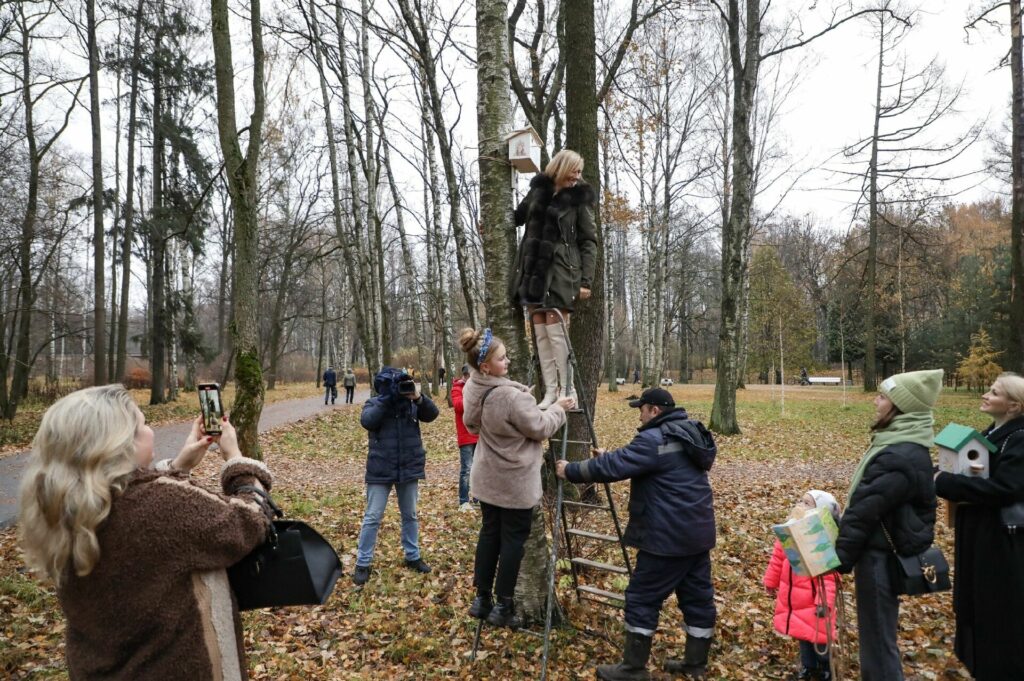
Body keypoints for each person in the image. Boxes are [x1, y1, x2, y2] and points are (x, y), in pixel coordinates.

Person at [18, 385, 274, 680]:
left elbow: (152, 531)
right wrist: (235, 457)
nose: (151, 431)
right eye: (144, 424)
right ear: (118, 443)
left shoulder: (63, 508)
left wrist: (179, 467)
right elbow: (250, 520)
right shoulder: (162, 505)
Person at [556, 387, 717, 680]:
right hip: (697, 534)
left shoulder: (656, 439)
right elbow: (651, 462)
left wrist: (571, 470)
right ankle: (695, 664)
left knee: (642, 598)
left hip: (667, 538)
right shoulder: (687, 434)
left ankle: (633, 668)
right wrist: (611, 456)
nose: (639, 415)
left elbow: (618, 466)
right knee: (697, 598)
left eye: (641, 409)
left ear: (654, 410)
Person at [459, 327, 573, 628]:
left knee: (489, 535)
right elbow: (540, 428)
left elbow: (472, 425)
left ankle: (482, 598)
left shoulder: (472, 387)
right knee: (512, 542)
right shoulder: (511, 397)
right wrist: (559, 409)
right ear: (486, 366)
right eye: (501, 358)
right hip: (514, 483)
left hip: (487, 478)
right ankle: (504, 605)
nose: (507, 362)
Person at [834, 369, 941, 681]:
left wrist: (839, 559)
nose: (875, 402)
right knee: (877, 635)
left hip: (879, 557)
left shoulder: (899, 454)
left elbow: (865, 511)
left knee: (878, 641)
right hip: (879, 553)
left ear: (900, 407)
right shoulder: (902, 443)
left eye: (882, 397)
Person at [935, 372, 1024, 681]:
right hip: (979, 536)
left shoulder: (1020, 436)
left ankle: (1000, 669)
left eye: (994, 392)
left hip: (1000, 543)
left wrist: (946, 482)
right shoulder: (994, 431)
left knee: (997, 611)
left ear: (1013, 406)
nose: (985, 395)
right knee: (976, 606)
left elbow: (1004, 488)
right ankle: (979, 664)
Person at [511, 148, 597, 409]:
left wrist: (586, 281)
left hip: (562, 270)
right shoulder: (539, 190)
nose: (577, 177)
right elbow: (518, 216)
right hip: (533, 269)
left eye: (580, 173)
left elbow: (589, 241)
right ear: (560, 168)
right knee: (539, 330)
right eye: (574, 171)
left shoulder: (578, 199)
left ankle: (567, 388)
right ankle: (550, 391)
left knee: (556, 328)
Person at [353, 367, 439, 585]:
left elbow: (432, 414)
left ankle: (413, 556)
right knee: (373, 517)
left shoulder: (411, 403)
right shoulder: (375, 403)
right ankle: (363, 563)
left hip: (408, 466)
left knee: (410, 514)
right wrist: (388, 399)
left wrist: (418, 397)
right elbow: (368, 421)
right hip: (381, 469)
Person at [763, 490, 842, 681]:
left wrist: (824, 602)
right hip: (794, 597)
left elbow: (830, 578)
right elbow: (777, 559)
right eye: (801, 501)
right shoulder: (789, 532)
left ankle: (826, 668)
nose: (801, 505)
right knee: (802, 634)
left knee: (820, 636)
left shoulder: (821, 540)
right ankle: (808, 667)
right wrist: (770, 582)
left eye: (808, 504)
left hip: (816, 600)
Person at [452, 363, 479, 512]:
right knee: (467, 468)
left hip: (479, 435)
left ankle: (478, 498)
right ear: (466, 376)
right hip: (466, 436)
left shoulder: (478, 388)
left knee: (479, 468)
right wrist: (473, 396)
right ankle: (463, 500)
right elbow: (458, 406)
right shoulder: (457, 388)